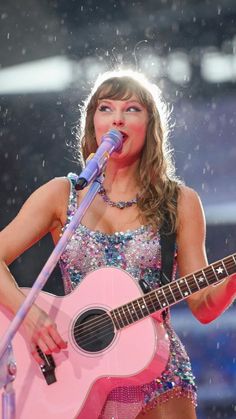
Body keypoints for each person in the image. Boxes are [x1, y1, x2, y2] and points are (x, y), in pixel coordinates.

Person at [0, 69, 235, 419]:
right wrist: (29, 315)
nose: (118, 118)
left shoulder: (179, 202)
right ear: (92, 120)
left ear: (150, 125)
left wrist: (231, 280)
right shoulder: (61, 195)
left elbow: (202, 306)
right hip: (72, 372)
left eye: (132, 109)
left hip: (157, 377)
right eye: (106, 108)